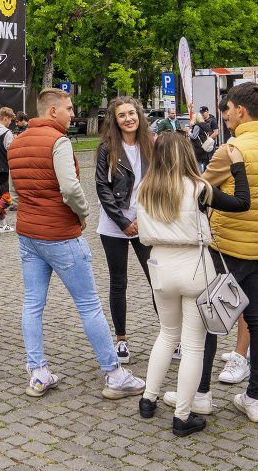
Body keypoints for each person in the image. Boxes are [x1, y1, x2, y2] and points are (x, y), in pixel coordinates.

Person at [8, 87, 146, 400]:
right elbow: (70, 189)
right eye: (69, 109)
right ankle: (113, 373)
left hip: (29, 233)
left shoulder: (16, 142)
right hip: (60, 233)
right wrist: (83, 214)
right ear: (52, 110)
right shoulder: (58, 141)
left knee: (32, 303)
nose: (73, 114)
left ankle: (38, 371)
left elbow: (16, 187)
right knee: (89, 305)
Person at [184, 83, 258, 422]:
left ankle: (201, 394)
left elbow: (201, 185)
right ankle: (254, 397)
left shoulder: (231, 150)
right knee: (257, 320)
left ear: (241, 111)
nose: (225, 115)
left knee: (211, 320)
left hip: (226, 247)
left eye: (228, 109)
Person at [136, 132, 251, 436]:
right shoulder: (199, 188)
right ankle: (183, 416)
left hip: (160, 264)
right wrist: (237, 168)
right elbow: (242, 203)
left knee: (165, 335)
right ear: (186, 154)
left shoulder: (144, 189)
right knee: (192, 346)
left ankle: (148, 399)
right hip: (194, 266)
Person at [94, 96, 156, 364]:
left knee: (158, 280)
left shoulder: (151, 145)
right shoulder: (107, 148)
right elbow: (101, 187)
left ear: (139, 115)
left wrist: (143, 219)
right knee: (118, 282)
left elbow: (159, 184)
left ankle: (172, 336)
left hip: (145, 222)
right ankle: (121, 340)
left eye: (132, 113)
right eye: (122, 115)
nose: (128, 119)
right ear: (115, 120)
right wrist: (122, 221)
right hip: (113, 223)